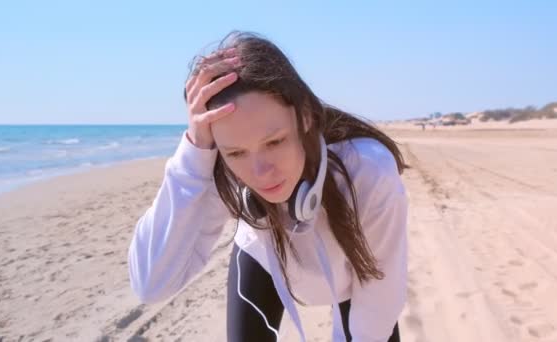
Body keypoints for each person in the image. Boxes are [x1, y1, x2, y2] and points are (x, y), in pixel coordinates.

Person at [128, 31, 408, 342]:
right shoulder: (225, 171)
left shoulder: (367, 170)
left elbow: (376, 307)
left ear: (303, 116)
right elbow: (151, 283)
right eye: (236, 152)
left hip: (356, 276)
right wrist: (194, 154)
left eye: (274, 142)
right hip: (265, 260)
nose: (260, 173)